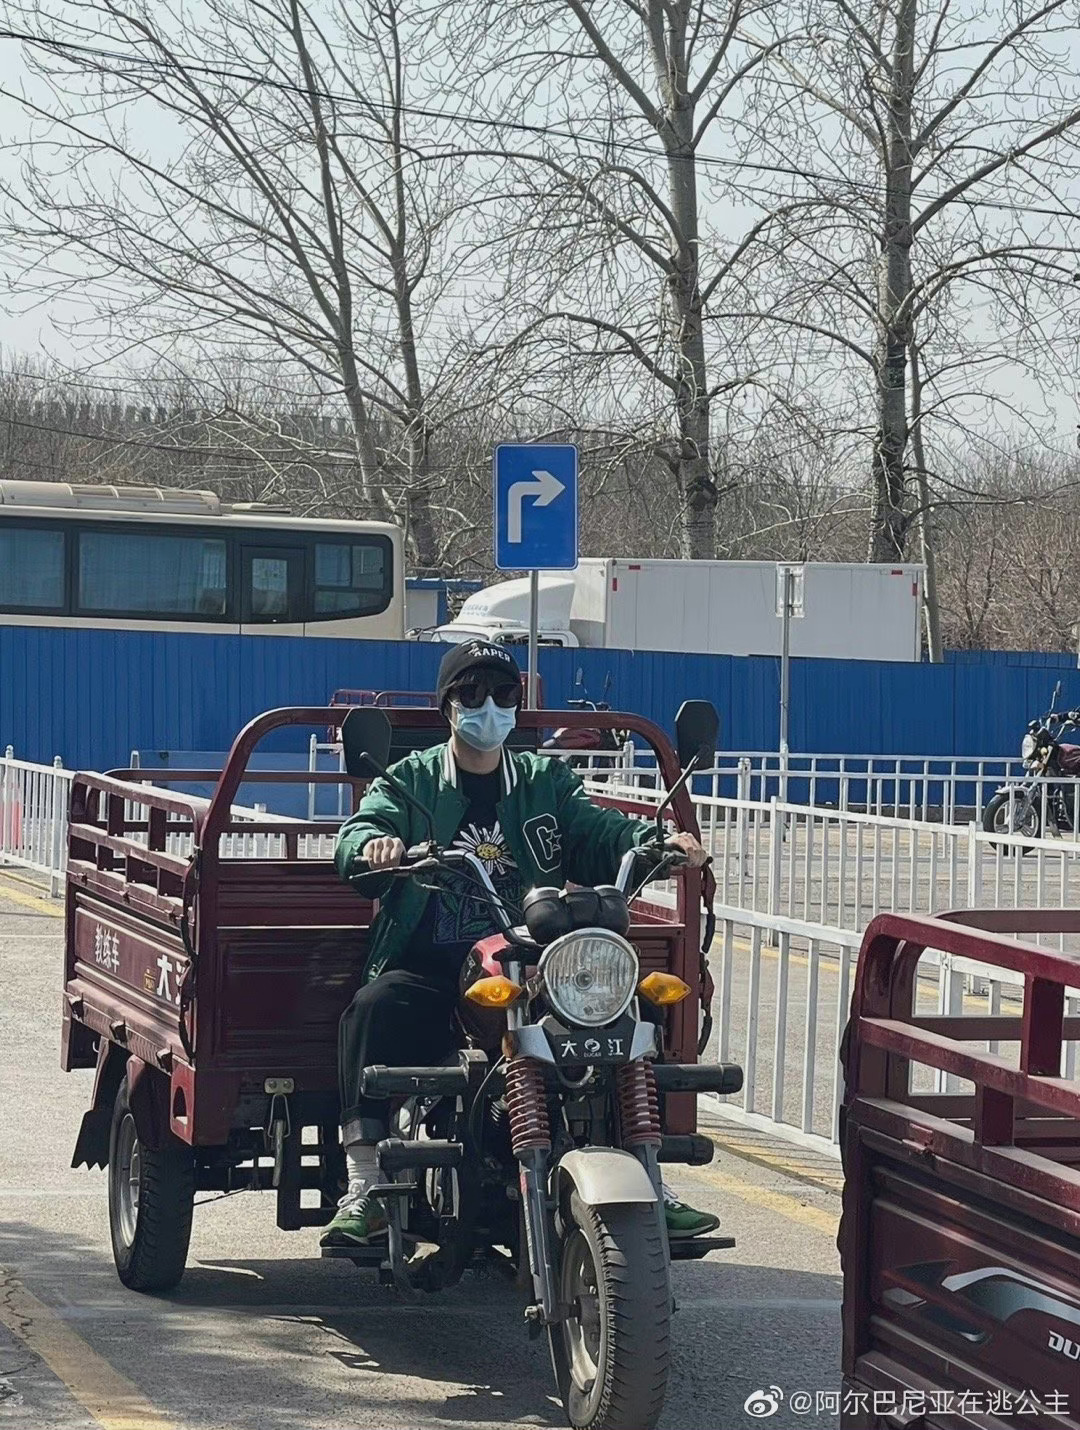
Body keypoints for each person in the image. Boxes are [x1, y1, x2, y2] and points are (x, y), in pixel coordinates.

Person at [323, 641, 719, 1246]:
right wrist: (375, 847)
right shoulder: (410, 780)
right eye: (472, 693)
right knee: (373, 1008)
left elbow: (598, 831)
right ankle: (366, 1185)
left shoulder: (543, 780)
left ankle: (647, 1176)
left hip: (534, 960)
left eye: (504, 693)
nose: (489, 706)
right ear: (448, 706)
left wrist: (654, 842)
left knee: (629, 1003)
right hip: (436, 967)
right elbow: (362, 830)